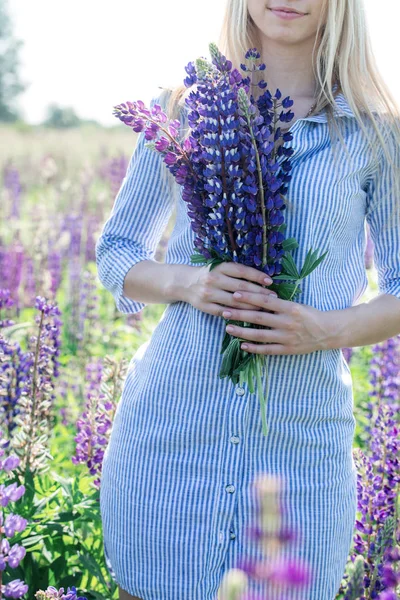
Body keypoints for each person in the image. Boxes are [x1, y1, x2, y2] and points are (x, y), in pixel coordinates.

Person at [95, 0, 400, 599]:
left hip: (300, 444)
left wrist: (326, 330)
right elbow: (116, 253)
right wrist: (191, 282)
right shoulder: (182, 109)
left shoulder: (375, 130)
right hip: (169, 434)